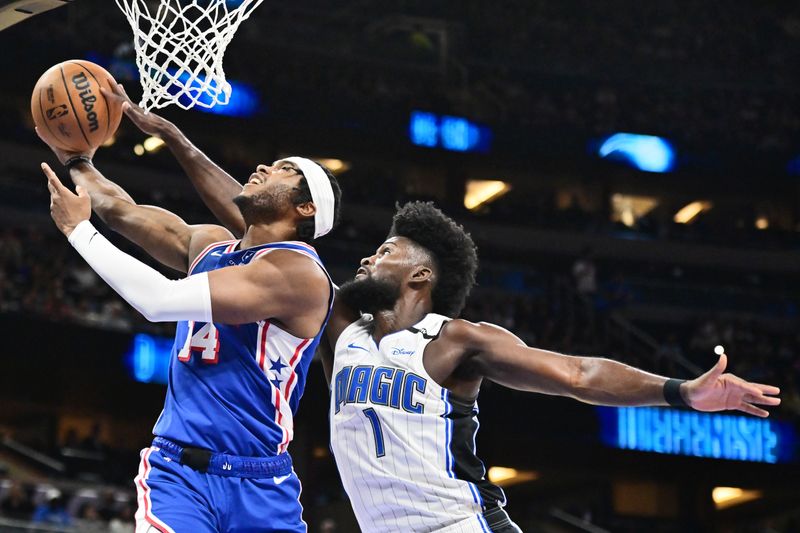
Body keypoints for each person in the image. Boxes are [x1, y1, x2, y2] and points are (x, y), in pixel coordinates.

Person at [106, 88, 781, 532]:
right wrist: (178, 141)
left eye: (386, 250)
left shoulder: (454, 342)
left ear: (421, 274)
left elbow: (577, 374)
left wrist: (679, 391)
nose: (368, 257)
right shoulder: (335, 322)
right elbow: (260, 234)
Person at [39, 100, 342, 531]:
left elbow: (158, 300)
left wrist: (78, 231)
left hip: (261, 482)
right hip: (178, 473)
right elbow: (120, 210)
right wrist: (77, 157)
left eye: (283, 170)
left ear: (306, 209)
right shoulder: (211, 245)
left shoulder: (299, 275)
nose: (262, 167)